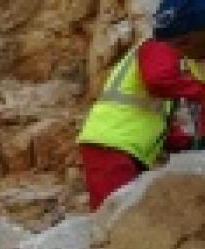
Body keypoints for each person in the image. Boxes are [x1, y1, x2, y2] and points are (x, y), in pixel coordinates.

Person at [78, 0, 205, 210]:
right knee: (115, 221)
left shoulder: (176, 54)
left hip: (123, 145)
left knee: (124, 215)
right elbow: (158, 80)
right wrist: (200, 92)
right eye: (186, 42)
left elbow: (153, 115)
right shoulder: (162, 45)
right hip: (112, 144)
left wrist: (185, 142)